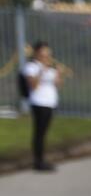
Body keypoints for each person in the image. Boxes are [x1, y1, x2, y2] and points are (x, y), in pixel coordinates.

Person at [22, 41, 64, 173]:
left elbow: (58, 85)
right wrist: (42, 70)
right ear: (38, 52)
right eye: (44, 51)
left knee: (44, 133)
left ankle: (41, 159)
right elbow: (33, 85)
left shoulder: (50, 67)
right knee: (39, 133)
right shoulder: (31, 67)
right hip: (39, 103)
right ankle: (38, 161)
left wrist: (58, 73)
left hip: (50, 102)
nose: (47, 54)